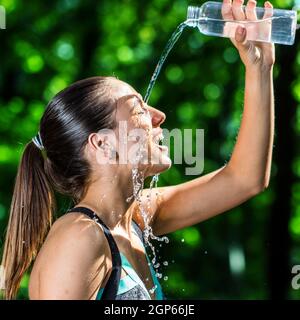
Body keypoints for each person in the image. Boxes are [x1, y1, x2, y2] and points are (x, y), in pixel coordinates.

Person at [1, 0, 275, 300]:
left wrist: (259, 67)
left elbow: (244, 179)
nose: (159, 116)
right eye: (138, 110)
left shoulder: (135, 217)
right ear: (103, 144)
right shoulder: (78, 237)